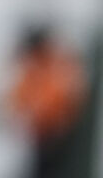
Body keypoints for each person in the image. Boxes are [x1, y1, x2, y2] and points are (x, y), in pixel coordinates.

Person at [5, 23, 87, 178]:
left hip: (57, 134)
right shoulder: (31, 70)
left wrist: (55, 121)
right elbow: (18, 100)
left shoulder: (56, 66)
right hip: (40, 135)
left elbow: (64, 99)